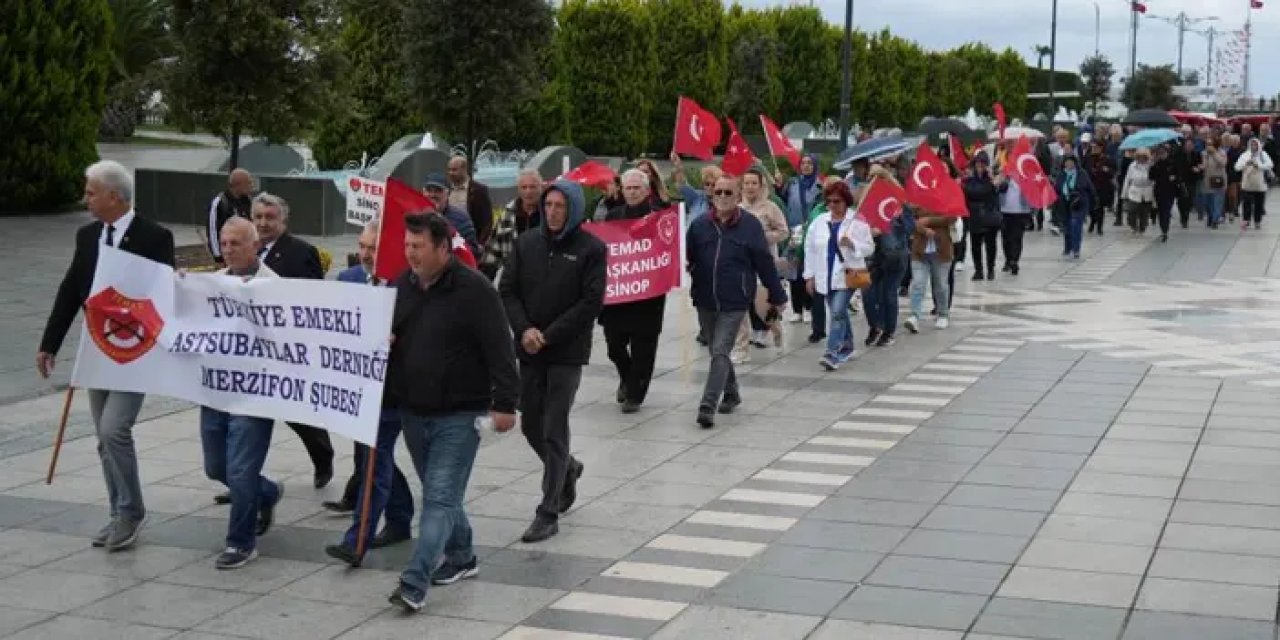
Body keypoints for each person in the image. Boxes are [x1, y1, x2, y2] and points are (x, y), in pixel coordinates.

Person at [37, 160, 176, 552]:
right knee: (102, 437)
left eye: (92, 192)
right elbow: (70, 290)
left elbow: (163, 294)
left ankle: (131, 512)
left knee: (115, 429)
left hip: (135, 351)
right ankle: (119, 512)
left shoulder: (155, 237)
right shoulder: (87, 236)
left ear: (114, 196)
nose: (86, 199)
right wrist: (50, 343)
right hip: (97, 348)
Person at [387, 212, 520, 612]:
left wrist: (505, 405)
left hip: (460, 415)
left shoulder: (475, 290)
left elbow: (500, 348)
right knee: (442, 494)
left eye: (419, 246)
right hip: (414, 410)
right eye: (407, 246)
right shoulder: (402, 286)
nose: (411, 254)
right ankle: (462, 557)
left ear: (444, 248)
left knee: (439, 498)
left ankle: (415, 581)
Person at [499, 179, 606, 543]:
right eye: (549, 205)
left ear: (574, 209)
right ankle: (567, 469)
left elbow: (590, 302)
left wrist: (549, 334)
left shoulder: (591, 249)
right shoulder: (526, 243)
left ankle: (548, 511)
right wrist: (525, 329)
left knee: (553, 426)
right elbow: (507, 290)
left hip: (565, 353)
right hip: (529, 351)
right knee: (531, 425)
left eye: (560, 206)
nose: (553, 212)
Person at [323, 221, 415, 566]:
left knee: (373, 464)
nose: (364, 253)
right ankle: (400, 517)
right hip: (359, 390)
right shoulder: (348, 281)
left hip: (393, 393)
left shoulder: (405, 285)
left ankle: (356, 541)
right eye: (362, 245)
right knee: (374, 460)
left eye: (373, 248)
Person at [198, 217, 285, 570]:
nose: (229, 249)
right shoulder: (210, 285)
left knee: (241, 470)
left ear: (255, 247)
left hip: (254, 395)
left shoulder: (275, 287)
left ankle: (240, 542)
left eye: (237, 243)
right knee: (216, 467)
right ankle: (267, 493)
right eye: (225, 242)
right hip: (216, 391)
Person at [686, 175, 787, 428]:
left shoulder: (750, 226)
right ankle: (732, 392)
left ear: (738, 195)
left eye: (727, 193)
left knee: (720, 350)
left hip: (736, 299)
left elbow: (763, 262)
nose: (722, 197)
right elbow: (689, 258)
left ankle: (707, 404)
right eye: (717, 192)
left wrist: (777, 295)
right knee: (715, 350)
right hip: (705, 299)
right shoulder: (699, 226)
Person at [250, 193, 335, 490]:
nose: (263, 223)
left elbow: (313, 302)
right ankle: (244, 477)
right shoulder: (245, 250)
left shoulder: (301, 252)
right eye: (258, 217)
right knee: (248, 423)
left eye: (270, 217)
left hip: (287, 349)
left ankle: (322, 456)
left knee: (297, 415)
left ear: (283, 220)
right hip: (251, 351)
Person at [599, 170, 665, 414]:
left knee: (643, 349)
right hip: (619, 293)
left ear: (647, 190)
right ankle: (627, 378)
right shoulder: (613, 217)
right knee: (613, 345)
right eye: (628, 188)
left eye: (637, 188)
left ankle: (635, 395)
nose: (633, 192)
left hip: (649, 295)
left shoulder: (658, 218)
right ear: (622, 190)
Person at [804, 181, 872, 370]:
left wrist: (853, 245)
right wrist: (809, 276)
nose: (833, 205)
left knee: (836, 312)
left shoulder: (857, 221)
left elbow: (869, 247)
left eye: (837, 201)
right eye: (829, 201)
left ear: (846, 202)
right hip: (824, 275)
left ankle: (832, 352)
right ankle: (848, 346)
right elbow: (810, 249)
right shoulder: (819, 222)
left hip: (847, 275)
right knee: (839, 312)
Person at [734, 167, 789, 359]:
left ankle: (776, 329)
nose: (750, 187)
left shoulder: (770, 207)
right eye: (746, 183)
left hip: (764, 262)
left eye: (753, 183)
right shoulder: (736, 208)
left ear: (760, 185)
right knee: (740, 304)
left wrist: (762, 238)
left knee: (762, 306)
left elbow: (784, 231)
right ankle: (741, 348)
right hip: (741, 263)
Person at [863, 166, 911, 348]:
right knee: (868, 295)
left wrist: (893, 223)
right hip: (872, 256)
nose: (874, 182)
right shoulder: (866, 201)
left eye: (878, 178)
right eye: (871, 178)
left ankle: (888, 332)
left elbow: (909, 226)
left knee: (888, 294)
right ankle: (875, 326)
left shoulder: (897, 202)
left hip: (895, 256)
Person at [775, 154, 822, 324]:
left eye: (810, 163)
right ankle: (797, 310)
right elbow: (782, 200)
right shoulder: (793, 184)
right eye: (803, 163)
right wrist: (779, 186)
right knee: (793, 271)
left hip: (811, 231)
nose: (806, 166)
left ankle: (809, 307)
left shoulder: (819, 186)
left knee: (807, 270)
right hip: (794, 231)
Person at [483, 168, 544, 280]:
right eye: (524, 187)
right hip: (513, 276)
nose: (528, 191)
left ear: (541, 188)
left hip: (541, 277)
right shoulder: (507, 214)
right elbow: (493, 251)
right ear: (518, 190)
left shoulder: (548, 214)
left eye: (532, 187)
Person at [904, 206, 954, 333]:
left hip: (941, 250)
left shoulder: (946, 197)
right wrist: (923, 229)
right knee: (918, 284)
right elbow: (909, 220)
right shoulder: (917, 198)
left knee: (941, 285)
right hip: (919, 251)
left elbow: (953, 217)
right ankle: (914, 316)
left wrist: (929, 220)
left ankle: (943, 313)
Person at [962, 153, 1001, 279]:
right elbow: (969, 193)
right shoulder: (969, 180)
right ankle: (978, 270)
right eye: (977, 163)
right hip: (974, 216)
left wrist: (993, 180)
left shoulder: (992, 179)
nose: (979, 166)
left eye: (982, 163)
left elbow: (1001, 189)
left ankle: (991, 269)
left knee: (991, 245)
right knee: (975, 245)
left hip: (989, 215)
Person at [423, 173, 481, 257]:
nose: (432, 195)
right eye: (429, 190)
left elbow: (473, 251)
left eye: (438, 190)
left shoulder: (461, 218)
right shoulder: (416, 217)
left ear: (448, 194)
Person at [206, 168, 254, 264]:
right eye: (248, 183)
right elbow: (213, 231)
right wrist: (218, 257)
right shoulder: (220, 202)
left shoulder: (247, 201)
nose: (251, 186)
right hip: (227, 256)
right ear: (238, 184)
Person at [446, 155, 495, 246]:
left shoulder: (479, 190)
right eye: (449, 170)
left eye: (454, 170)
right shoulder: (446, 189)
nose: (451, 173)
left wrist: (480, 244)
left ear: (464, 169)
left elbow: (487, 221)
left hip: (470, 241)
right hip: (448, 240)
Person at [1055, 156, 1096, 259]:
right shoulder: (1061, 175)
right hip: (1065, 203)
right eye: (1067, 162)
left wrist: (1094, 201)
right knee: (1067, 226)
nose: (1068, 164)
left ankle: (1076, 249)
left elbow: (1090, 188)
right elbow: (1056, 189)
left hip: (1079, 203)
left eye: (1071, 162)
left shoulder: (1082, 173)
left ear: (1075, 163)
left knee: (1075, 224)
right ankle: (1068, 248)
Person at [996, 165, 1032, 276]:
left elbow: (1031, 193)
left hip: (1020, 212)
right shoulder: (1004, 177)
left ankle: (1014, 261)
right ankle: (1008, 259)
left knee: (1016, 238)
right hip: (1004, 211)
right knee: (1006, 238)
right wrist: (1000, 180)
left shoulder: (1025, 177)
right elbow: (997, 189)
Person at [669, 152, 722, 221]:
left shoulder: (723, 202)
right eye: (707, 184)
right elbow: (682, 184)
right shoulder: (697, 197)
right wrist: (678, 167)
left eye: (713, 184)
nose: (710, 187)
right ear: (703, 184)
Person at [1237, 137, 1275, 229]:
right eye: (1252, 144)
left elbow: (1270, 164)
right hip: (1247, 183)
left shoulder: (1263, 154)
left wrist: (1259, 165)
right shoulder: (1245, 155)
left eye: (1255, 144)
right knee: (1246, 203)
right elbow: (1237, 167)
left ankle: (1257, 221)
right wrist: (1246, 163)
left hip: (1259, 183)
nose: (1253, 146)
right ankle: (1246, 220)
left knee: (1259, 203)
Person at [1083, 140, 1116, 235]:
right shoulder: (1088, 158)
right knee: (1090, 208)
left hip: (1102, 187)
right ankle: (1093, 221)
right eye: (1093, 147)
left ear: (1101, 148)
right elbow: (1083, 169)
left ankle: (1099, 227)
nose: (1094, 149)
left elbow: (1113, 171)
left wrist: (1107, 170)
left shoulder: (1107, 159)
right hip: (1090, 186)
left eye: (1096, 147)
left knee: (1100, 208)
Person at [1121, 149, 1155, 235]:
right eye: (1139, 156)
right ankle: (1133, 226)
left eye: (1143, 156)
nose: (1141, 158)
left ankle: (1142, 228)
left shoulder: (1151, 165)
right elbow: (1127, 179)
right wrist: (1124, 193)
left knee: (1144, 212)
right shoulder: (1132, 166)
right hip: (1134, 191)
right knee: (1131, 210)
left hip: (1147, 191)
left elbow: (1154, 179)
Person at [1150, 145, 1180, 242]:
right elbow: (1151, 176)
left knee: (1166, 211)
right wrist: (1152, 164)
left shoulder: (1172, 163)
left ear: (1167, 153)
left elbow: (1178, 175)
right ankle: (1163, 229)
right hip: (1158, 191)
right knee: (1160, 211)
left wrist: (1174, 178)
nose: (1162, 155)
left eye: (1163, 152)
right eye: (1160, 153)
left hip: (1169, 191)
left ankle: (1165, 231)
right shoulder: (1156, 164)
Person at [1200, 138, 1229, 229]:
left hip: (1219, 179)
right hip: (1208, 180)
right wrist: (1200, 167)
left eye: (1210, 144)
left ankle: (1215, 219)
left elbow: (1223, 163)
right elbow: (1204, 165)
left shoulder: (1222, 152)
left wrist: (1214, 153)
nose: (1208, 146)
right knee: (1209, 202)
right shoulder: (1204, 153)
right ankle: (1212, 217)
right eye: (1207, 144)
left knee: (1218, 201)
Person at [1175, 137, 1203, 228]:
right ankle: (1183, 217)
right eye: (1187, 145)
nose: (1189, 147)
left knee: (1190, 199)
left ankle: (1185, 216)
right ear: (1184, 146)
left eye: (1191, 145)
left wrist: (1198, 169)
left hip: (1192, 180)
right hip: (1181, 180)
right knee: (1182, 200)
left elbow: (1200, 165)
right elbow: (1177, 167)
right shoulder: (1178, 154)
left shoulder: (1196, 154)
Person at [1226, 134, 1245, 223]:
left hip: (1240, 175)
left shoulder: (1242, 151)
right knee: (1233, 195)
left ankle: (1235, 208)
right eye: (1233, 141)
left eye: (1236, 141)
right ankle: (1232, 210)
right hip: (1231, 176)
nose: (1235, 143)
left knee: (1239, 194)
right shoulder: (1228, 151)